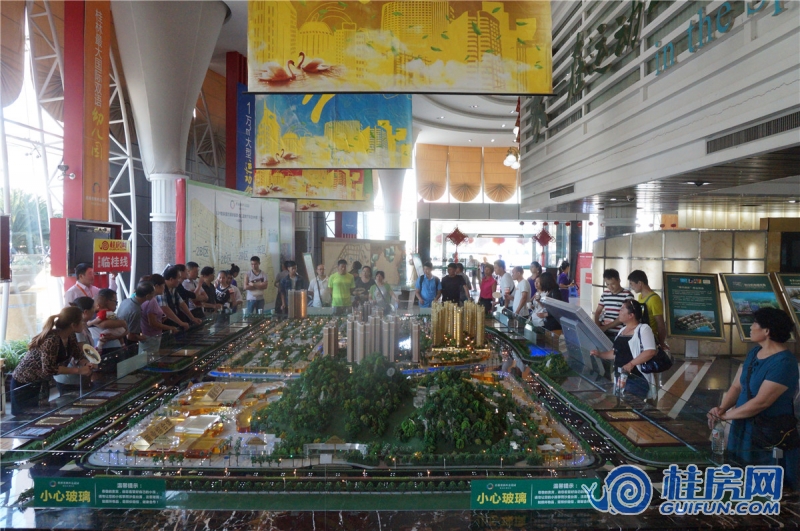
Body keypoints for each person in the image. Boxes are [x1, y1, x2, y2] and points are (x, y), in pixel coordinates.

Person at [708, 308, 799, 490]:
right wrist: (721, 409)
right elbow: (737, 386)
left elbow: (761, 402)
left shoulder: (784, 363)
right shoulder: (755, 352)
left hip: (767, 431)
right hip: (743, 425)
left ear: (767, 331)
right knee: (740, 475)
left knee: (765, 481)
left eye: (755, 323)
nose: (750, 327)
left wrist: (726, 416)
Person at [10, 306, 95, 412]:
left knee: (41, 414)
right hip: (24, 383)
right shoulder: (51, 339)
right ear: (73, 325)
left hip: (41, 382)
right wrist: (79, 370)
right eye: (81, 321)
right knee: (25, 417)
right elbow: (49, 369)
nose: (84, 323)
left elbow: (77, 354)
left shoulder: (71, 335)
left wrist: (86, 363)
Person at [590, 299, 657, 399]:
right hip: (621, 377)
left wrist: (631, 364)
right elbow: (615, 353)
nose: (619, 312)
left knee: (632, 405)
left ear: (631, 315)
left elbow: (650, 351)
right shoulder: (622, 330)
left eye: (622, 309)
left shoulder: (644, 329)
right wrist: (600, 354)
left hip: (636, 378)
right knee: (622, 404)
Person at [627, 270, 669, 351]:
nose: (631, 287)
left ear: (640, 283)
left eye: (632, 284)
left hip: (651, 338)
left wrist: (661, 343)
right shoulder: (640, 297)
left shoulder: (654, 299)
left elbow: (660, 324)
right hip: (641, 336)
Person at [139, 274, 178, 354]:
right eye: (163, 286)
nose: (164, 288)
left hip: (151, 336)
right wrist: (170, 328)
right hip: (151, 337)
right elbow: (152, 323)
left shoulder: (151, 299)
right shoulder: (152, 301)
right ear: (156, 286)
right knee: (149, 357)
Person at [594, 269, 634, 341]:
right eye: (607, 284)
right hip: (604, 333)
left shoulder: (627, 295)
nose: (610, 287)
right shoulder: (605, 294)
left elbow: (625, 316)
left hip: (618, 334)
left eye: (613, 284)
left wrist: (605, 327)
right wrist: (597, 327)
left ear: (619, 280)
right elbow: (597, 312)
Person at [116, 281, 154, 346]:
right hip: (126, 344)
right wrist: (144, 338)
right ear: (147, 296)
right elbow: (131, 336)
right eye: (153, 293)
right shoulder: (136, 310)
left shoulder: (125, 301)